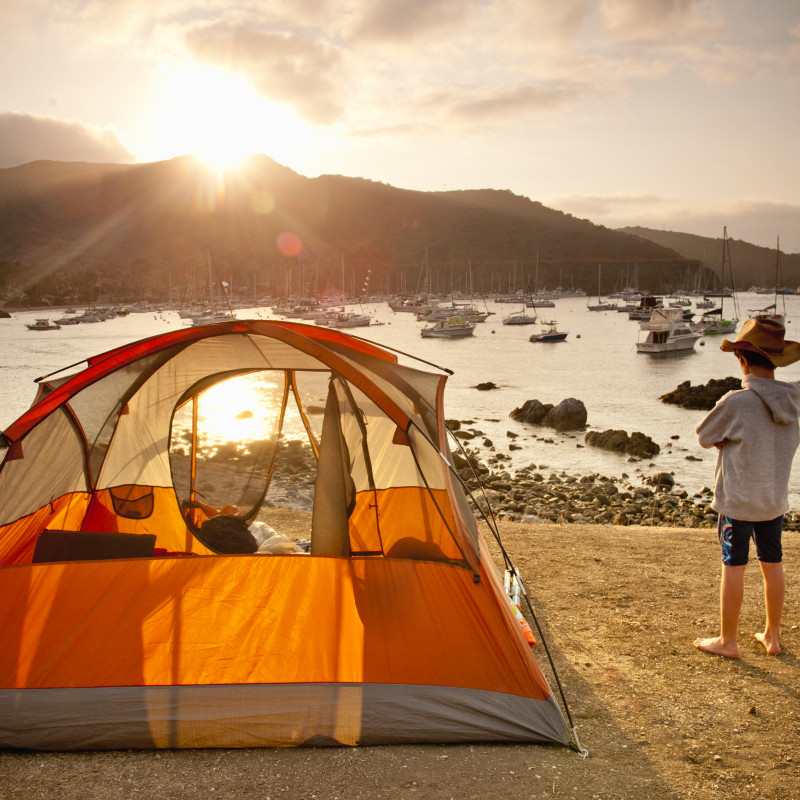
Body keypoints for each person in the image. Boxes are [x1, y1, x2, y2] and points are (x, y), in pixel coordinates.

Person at [694, 318, 800, 658]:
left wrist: (727, 440)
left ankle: (728, 640)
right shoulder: (795, 398)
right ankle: (772, 636)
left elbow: (704, 435)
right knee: (773, 564)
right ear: (777, 359)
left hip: (738, 503)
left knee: (733, 566)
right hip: (773, 500)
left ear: (741, 358)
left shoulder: (736, 402)